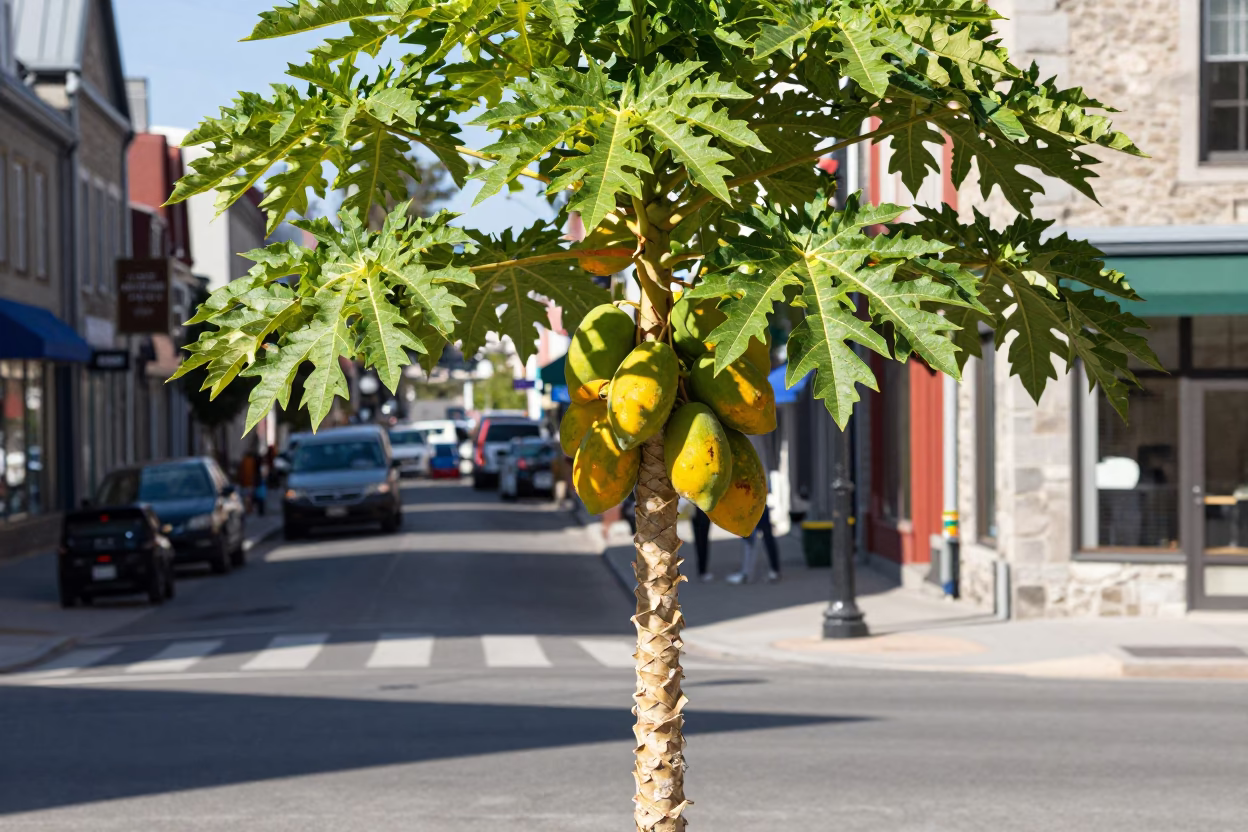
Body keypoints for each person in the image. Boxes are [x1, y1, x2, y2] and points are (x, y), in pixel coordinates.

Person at [726, 433, 781, 584]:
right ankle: (769, 570)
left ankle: (748, 573)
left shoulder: (746, 436)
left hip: (752, 492)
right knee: (761, 533)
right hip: (756, 490)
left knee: (750, 533)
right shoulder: (756, 434)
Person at [691, 507, 713, 582]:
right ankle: (702, 570)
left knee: (699, 539)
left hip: (695, 509)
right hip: (702, 510)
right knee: (702, 539)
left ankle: (702, 569)